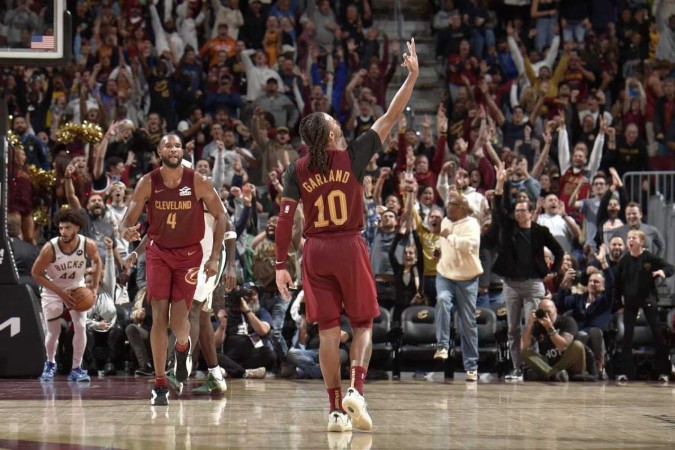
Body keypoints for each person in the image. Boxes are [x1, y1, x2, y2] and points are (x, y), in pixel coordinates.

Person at [275, 38, 419, 433]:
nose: (335, 118)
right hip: (349, 245)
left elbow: (285, 221)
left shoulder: (296, 169)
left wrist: (278, 266)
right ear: (330, 132)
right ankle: (357, 387)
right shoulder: (354, 154)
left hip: (315, 250)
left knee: (325, 333)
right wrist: (412, 77)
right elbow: (391, 114)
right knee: (363, 325)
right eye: (330, 118)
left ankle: (336, 410)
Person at [119, 134, 232, 405]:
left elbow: (222, 217)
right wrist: (127, 232)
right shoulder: (148, 182)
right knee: (159, 317)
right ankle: (160, 384)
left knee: (179, 321)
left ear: (183, 151)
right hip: (159, 254)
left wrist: (216, 256)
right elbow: (128, 219)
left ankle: (183, 349)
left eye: (178, 146)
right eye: (168, 146)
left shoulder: (198, 181)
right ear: (159, 151)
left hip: (190, 256)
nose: (173, 149)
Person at [492, 161, 564, 381]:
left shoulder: (540, 231)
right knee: (513, 328)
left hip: (534, 284)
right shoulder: (509, 228)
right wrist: (500, 182)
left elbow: (559, 251)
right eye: (517, 210)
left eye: (524, 210)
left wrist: (555, 272)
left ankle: (532, 366)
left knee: (531, 325)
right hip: (512, 284)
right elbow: (498, 206)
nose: (519, 212)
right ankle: (517, 367)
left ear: (531, 212)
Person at [31, 209, 102, 382]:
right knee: (53, 332)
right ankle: (49, 363)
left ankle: (76, 368)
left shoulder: (88, 244)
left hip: (76, 287)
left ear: (76, 228)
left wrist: (94, 287)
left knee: (80, 326)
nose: (63, 232)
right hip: (53, 290)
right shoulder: (50, 248)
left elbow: (98, 261)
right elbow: (35, 273)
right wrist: (60, 293)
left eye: (67, 228)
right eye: (61, 228)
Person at [432, 192, 483, 383]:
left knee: (468, 322)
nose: (447, 208)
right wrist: (439, 249)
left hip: (467, 278)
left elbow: (469, 245)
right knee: (442, 300)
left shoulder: (472, 225)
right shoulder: (445, 221)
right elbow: (444, 242)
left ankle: (471, 366)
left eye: (451, 204)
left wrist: (450, 236)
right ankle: (443, 346)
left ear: (461, 208)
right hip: (445, 274)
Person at [613, 230, 674, 382]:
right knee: (627, 336)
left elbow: (670, 268)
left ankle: (663, 371)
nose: (630, 240)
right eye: (629, 238)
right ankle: (627, 373)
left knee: (658, 334)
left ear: (641, 242)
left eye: (634, 238)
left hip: (648, 299)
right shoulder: (624, 260)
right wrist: (619, 304)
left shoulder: (649, 258)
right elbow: (617, 285)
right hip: (630, 301)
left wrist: (661, 271)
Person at [521, 299, 586, 382]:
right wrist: (530, 324)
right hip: (550, 364)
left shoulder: (567, 321)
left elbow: (563, 346)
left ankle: (548, 374)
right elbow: (524, 346)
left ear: (555, 310)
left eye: (548, 312)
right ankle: (554, 374)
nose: (546, 315)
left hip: (570, 364)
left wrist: (549, 328)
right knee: (525, 352)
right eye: (543, 313)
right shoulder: (538, 326)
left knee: (578, 345)